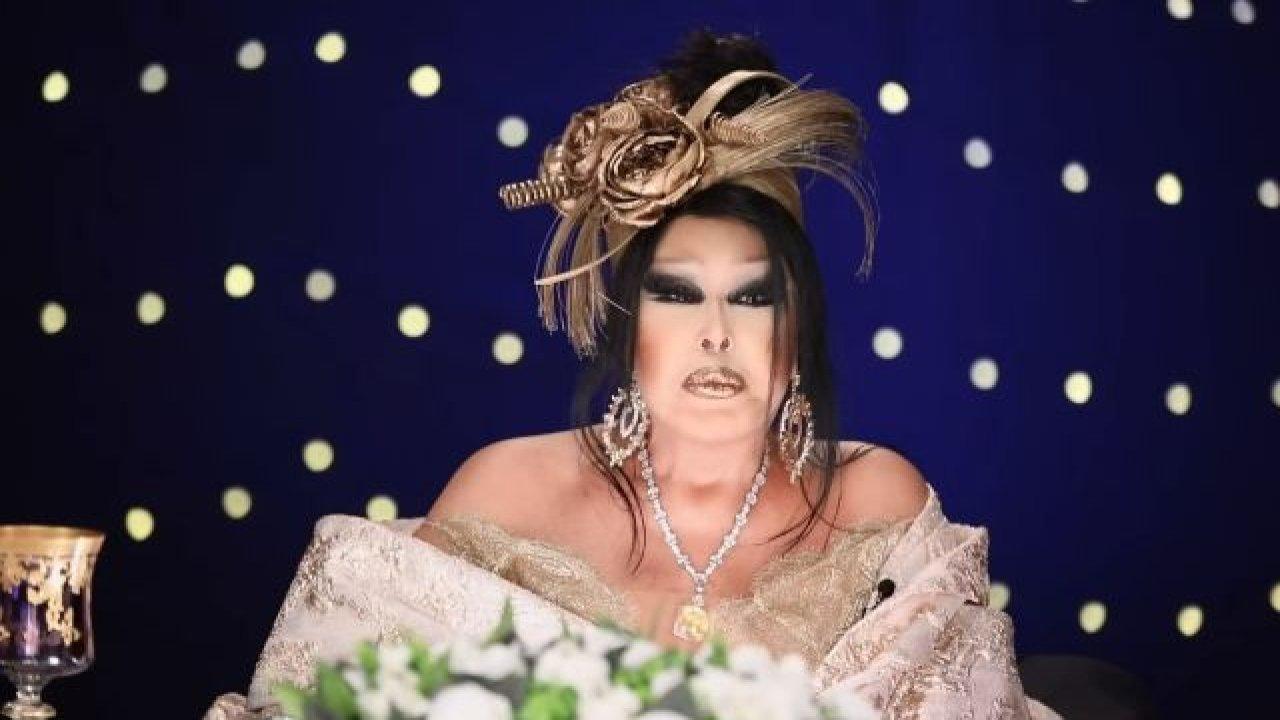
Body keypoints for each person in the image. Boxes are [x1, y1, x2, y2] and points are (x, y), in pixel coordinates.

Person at [206, 30, 1061, 719]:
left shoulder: (873, 506)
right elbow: (325, 700)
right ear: (629, 323)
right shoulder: (509, 495)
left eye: (753, 297)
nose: (716, 335)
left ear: (797, 326)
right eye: (678, 295)